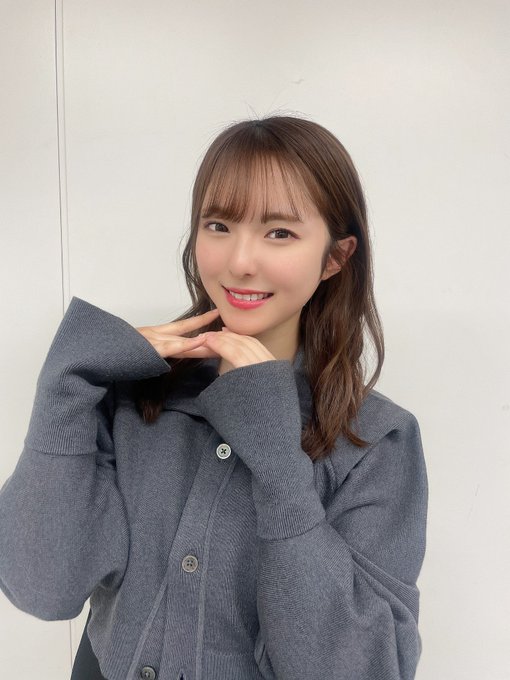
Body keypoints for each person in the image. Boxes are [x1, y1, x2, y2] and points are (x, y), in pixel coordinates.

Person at [0, 115, 428, 680]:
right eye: (219, 225)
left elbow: (361, 668)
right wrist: (67, 382)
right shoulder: (131, 397)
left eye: (280, 233)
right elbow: (41, 587)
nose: (239, 262)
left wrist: (279, 462)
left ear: (335, 257)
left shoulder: (376, 441)